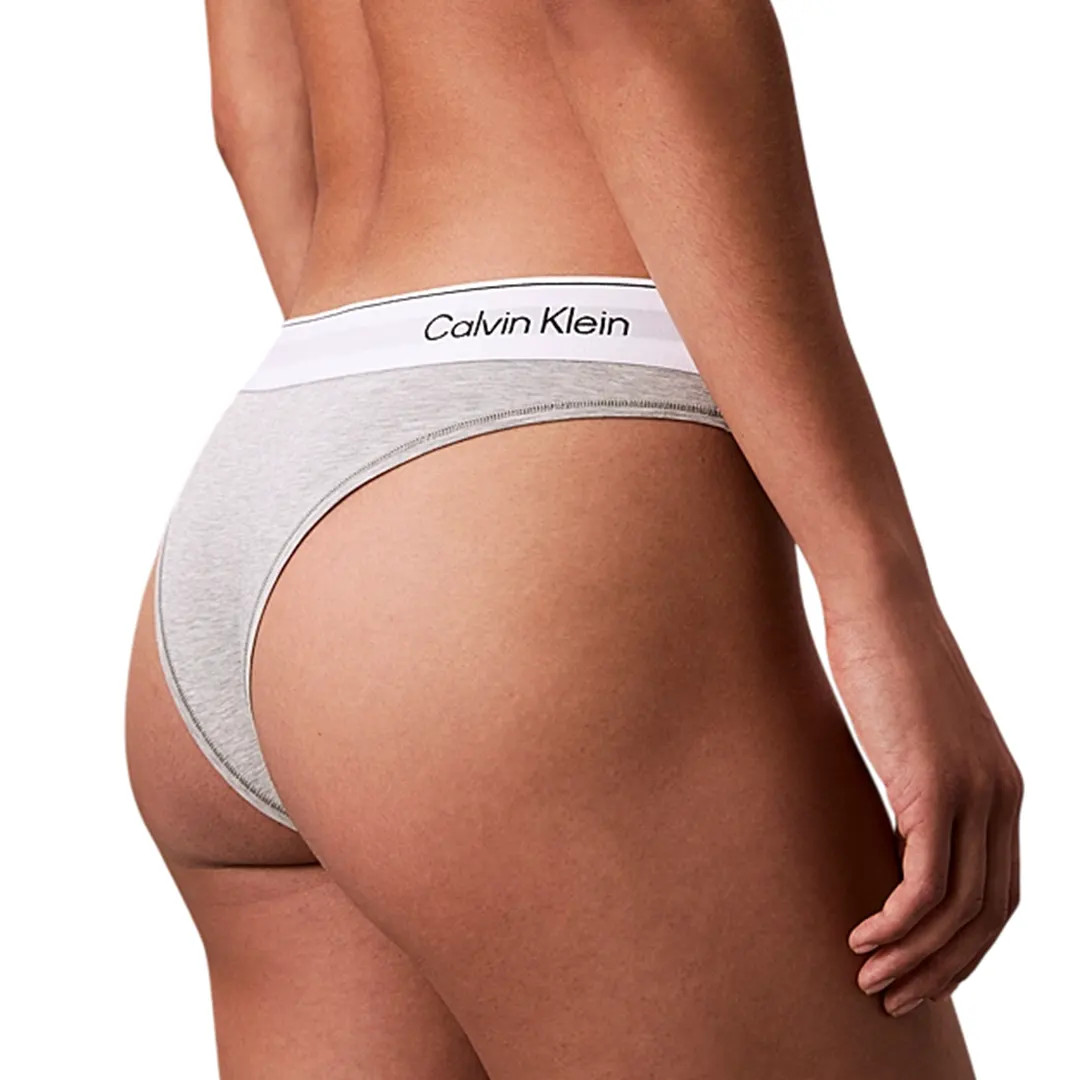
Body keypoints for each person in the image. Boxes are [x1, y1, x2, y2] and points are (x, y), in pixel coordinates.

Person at [124, 1, 1023, 1076]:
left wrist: (391, 525)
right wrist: (879, 593)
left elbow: (256, 106)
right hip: (534, 470)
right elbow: (633, 14)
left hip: (294, 423)